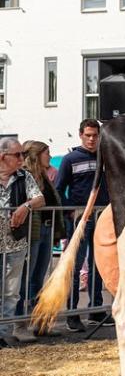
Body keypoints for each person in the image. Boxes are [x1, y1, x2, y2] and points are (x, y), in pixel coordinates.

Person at [56, 119, 111, 332]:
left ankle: (96, 309)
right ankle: (72, 313)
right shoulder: (70, 159)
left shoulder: (105, 158)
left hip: (103, 217)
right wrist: (72, 210)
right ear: (80, 135)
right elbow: (59, 188)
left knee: (100, 264)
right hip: (80, 218)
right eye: (88, 135)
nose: (91, 139)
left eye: (95, 135)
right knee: (76, 265)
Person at [15, 141, 66, 337]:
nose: (50, 156)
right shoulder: (26, 176)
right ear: (37, 155)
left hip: (46, 230)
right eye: (47, 153)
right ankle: (19, 325)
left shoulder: (44, 176)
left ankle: (40, 323)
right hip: (32, 233)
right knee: (25, 279)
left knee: (39, 279)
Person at [0, 138, 45, 345]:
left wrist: (25, 206)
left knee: (11, 293)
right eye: (17, 155)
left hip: (15, 244)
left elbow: (40, 199)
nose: (22, 158)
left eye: (23, 155)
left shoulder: (23, 176)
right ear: (3, 157)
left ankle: (2, 334)